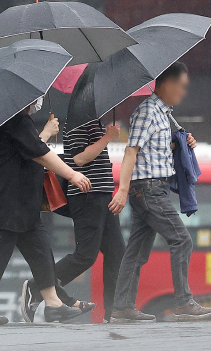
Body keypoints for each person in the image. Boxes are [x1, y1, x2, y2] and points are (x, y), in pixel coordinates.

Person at [0, 99, 93, 326]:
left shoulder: (0, 118)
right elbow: (39, 152)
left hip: (19, 201)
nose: (38, 101)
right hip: (9, 200)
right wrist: (72, 175)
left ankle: (53, 304)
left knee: (40, 248)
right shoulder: (16, 118)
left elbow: (2, 158)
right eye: (36, 97)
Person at [107, 62, 211, 322]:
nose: (183, 92)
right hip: (148, 190)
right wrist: (122, 190)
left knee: (136, 252)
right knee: (182, 240)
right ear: (166, 84)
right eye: (180, 86)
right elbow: (131, 151)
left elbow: (153, 152)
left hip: (152, 189)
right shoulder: (147, 112)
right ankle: (183, 302)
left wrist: (180, 143)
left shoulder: (163, 114)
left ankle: (122, 307)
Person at [22, 118, 125, 323]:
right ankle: (38, 286)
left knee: (117, 251)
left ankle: (113, 312)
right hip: (87, 195)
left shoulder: (95, 122)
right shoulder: (80, 121)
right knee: (86, 255)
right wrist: (108, 138)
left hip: (103, 194)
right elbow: (79, 159)